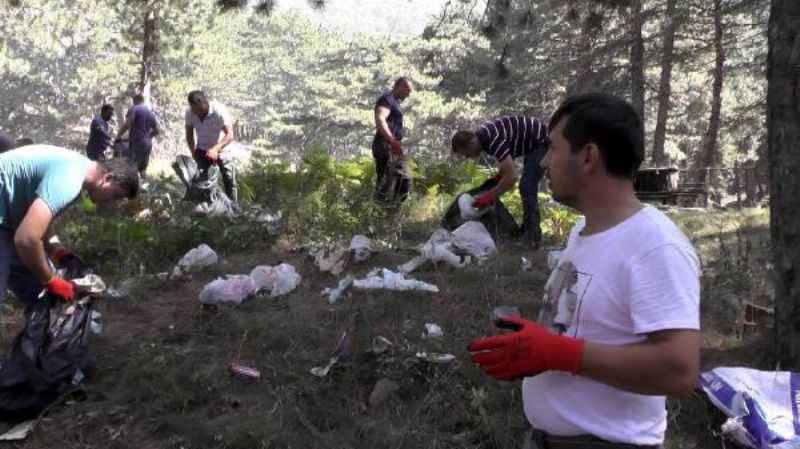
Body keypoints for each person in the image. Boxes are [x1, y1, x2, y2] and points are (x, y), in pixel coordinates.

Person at [468, 94, 701, 449]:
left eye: (553, 148)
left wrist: (558, 354)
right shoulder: (583, 231)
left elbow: (679, 371)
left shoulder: (656, 246)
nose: (544, 161)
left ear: (588, 157)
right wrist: (532, 350)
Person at [0, 145, 139, 306]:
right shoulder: (70, 179)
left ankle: (41, 327)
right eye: (116, 195)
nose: (112, 202)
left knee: (37, 288)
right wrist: (51, 281)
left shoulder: (76, 170)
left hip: (8, 221)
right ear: (107, 178)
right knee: (44, 279)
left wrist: (59, 252)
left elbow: (38, 221)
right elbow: (27, 239)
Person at [452, 116, 549, 247]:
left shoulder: (492, 140)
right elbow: (506, 163)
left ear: (471, 143)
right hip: (534, 145)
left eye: (466, 153)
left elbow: (512, 176)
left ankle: (532, 236)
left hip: (543, 142)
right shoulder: (484, 138)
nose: (467, 157)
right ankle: (526, 231)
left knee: (526, 186)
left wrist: (490, 196)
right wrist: (498, 178)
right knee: (517, 184)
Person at [184, 90, 237, 204]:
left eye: (199, 110)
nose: (197, 113)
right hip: (202, 149)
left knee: (228, 179)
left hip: (223, 149)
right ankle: (208, 207)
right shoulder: (190, 112)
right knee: (201, 180)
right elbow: (189, 135)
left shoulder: (219, 111)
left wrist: (216, 149)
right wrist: (193, 152)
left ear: (204, 102)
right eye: (194, 110)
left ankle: (234, 208)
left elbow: (230, 135)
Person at [373, 77, 413, 203]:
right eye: (407, 91)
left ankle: (390, 210)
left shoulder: (394, 101)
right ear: (399, 86)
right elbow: (380, 119)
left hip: (391, 145)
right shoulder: (387, 99)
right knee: (387, 180)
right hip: (385, 145)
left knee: (402, 178)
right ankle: (380, 210)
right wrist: (391, 140)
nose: (408, 95)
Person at [115, 94, 160, 179]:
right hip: (147, 144)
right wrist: (148, 136)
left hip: (137, 141)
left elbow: (127, 124)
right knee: (142, 168)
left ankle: (133, 188)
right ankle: (145, 187)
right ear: (143, 100)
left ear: (135, 100)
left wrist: (119, 135)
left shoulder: (134, 108)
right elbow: (157, 131)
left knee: (132, 165)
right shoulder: (151, 113)